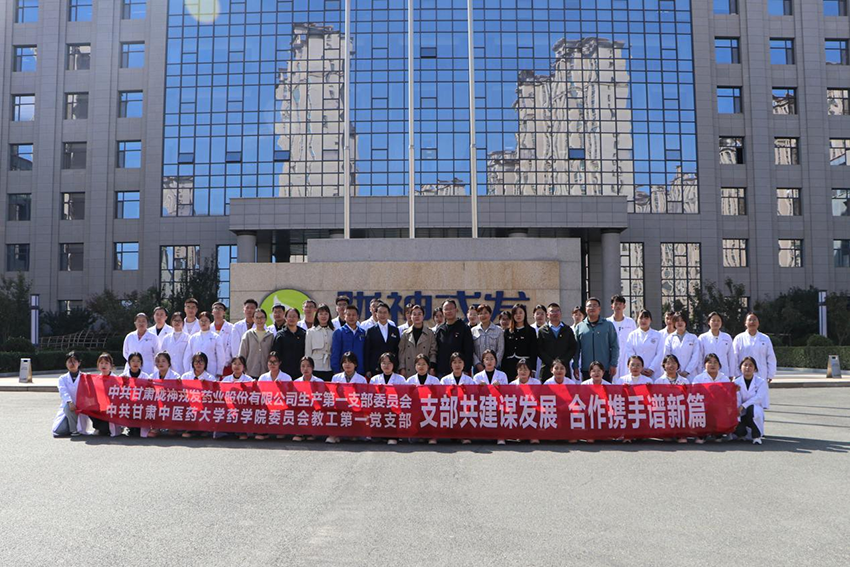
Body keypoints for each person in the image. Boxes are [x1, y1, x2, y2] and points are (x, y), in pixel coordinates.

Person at [733, 312, 777, 408]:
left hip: (761, 374)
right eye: (750, 320)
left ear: (758, 323)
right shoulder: (739, 338)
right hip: (743, 374)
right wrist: (736, 374)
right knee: (743, 402)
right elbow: (734, 358)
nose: (752, 322)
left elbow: (770, 357)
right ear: (745, 323)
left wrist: (771, 374)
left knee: (759, 403)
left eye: (754, 320)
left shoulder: (765, 338)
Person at [573, 297, 619, 382]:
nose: (592, 308)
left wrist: (613, 364)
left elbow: (614, 346)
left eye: (595, 305)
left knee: (605, 390)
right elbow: (576, 349)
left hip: (604, 368)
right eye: (589, 306)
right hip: (587, 369)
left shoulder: (608, 325)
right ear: (586, 309)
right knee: (587, 390)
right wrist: (575, 366)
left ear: (599, 309)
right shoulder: (580, 327)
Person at [52, 352, 91, 438]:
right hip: (69, 408)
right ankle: (73, 428)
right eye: (69, 361)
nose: (72, 364)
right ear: (66, 363)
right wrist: (70, 402)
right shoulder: (62, 378)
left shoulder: (86, 377)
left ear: (79, 363)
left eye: (74, 361)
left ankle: (74, 430)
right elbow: (63, 392)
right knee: (59, 430)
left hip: (82, 408)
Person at [537, 303, 578, 381]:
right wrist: (552, 363)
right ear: (547, 315)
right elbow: (539, 350)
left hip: (564, 368)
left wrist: (562, 362)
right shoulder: (542, 331)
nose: (555, 313)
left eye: (557, 311)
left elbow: (572, 348)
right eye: (552, 311)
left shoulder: (567, 330)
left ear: (561, 314)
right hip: (547, 369)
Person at [143, 352, 181, 438]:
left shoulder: (175, 376)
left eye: (163, 361)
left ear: (169, 363)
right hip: (157, 401)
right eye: (158, 361)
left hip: (171, 401)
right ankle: (156, 427)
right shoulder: (152, 376)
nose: (160, 363)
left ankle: (172, 426)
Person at [434, 299, 474, 376]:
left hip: (460, 372)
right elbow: (436, 351)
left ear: (456, 310)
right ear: (443, 312)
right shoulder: (440, 330)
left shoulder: (464, 328)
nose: (449, 311)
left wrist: (466, 369)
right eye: (446, 309)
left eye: (451, 308)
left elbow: (469, 351)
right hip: (442, 371)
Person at [622, 310, 665, 379]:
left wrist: (652, 368)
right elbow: (629, 352)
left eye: (646, 318)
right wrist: (640, 369)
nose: (643, 320)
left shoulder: (658, 335)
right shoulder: (632, 335)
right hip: (636, 371)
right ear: (637, 320)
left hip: (654, 373)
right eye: (641, 318)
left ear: (651, 320)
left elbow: (660, 353)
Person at [734, 356, 767, 444]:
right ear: (741, 368)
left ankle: (756, 436)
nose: (747, 367)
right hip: (740, 412)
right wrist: (738, 409)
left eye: (751, 365)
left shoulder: (761, 382)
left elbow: (759, 398)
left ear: (755, 369)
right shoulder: (736, 382)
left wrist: (743, 406)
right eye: (745, 365)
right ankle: (742, 434)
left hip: (754, 411)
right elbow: (736, 399)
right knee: (739, 430)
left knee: (752, 409)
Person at [363, 302, 401, 378]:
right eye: (380, 312)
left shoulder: (395, 330)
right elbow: (367, 351)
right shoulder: (370, 331)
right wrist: (367, 369)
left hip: (391, 367)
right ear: (376, 314)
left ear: (388, 314)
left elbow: (397, 349)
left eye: (385, 312)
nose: (382, 315)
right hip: (375, 368)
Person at [184, 311, 226, 378]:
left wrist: (219, 371)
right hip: (195, 371)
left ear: (210, 322)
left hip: (211, 370)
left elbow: (221, 356)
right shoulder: (193, 337)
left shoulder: (216, 337)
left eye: (206, 320)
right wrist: (187, 370)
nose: (203, 323)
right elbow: (187, 356)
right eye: (201, 320)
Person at [398, 305, 437, 376]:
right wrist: (402, 367)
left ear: (423, 316)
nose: (417, 316)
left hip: (425, 369)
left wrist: (432, 367)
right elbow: (401, 352)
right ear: (411, 316)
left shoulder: (430, 333)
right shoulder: (405, 334)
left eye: (419, 314)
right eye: (414, 314)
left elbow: (433, 351)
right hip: (409, 369)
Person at [502, 304, 538, 381]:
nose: (518, 315)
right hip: (509, 365)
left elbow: (534, 351)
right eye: (515, 313)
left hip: (525, 365)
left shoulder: (531, 331)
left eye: (520, 312)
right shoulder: (507, 331)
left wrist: (532, 368)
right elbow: (504, 350)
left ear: (525, 314)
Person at [663, 312, 701, 379]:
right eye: (677, 320)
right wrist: (675, 371)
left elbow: (696, 356)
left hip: (691, 374)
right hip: (674, 374)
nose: (680, 323)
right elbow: (667, 356)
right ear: (674, 323)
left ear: (685, 322)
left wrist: (687, 371)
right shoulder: (669, 338)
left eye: (682, 320)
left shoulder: (693, 338)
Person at [272, 307, 308, 380]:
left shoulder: (303, 334)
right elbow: (276, 354)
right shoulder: (280, 335)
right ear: (285, 318)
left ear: (298, 318)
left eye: (294, 316)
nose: (292, 318)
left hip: (300, 372)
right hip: (284, 372)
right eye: (289, 316)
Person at [607, 295, 637, 379]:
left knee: (626, 380)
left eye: (620, 304)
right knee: (613, 381)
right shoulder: (607, 322)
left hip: (627, 356)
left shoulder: (630, 322)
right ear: (612, 306)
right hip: (612, 357)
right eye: (616, 304)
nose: (618, 306)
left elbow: (634, 340)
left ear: (624, 306)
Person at [331, 305, 367, 375]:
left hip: (360, 371)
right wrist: (336, 370)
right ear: (344, 316)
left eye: (353, 315)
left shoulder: (363, 333)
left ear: (358, 317)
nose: (351, 317)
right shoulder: (339, 333)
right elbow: (335, 353)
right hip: (343, 371)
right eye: (348, 315)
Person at [240, 308, 274, 380]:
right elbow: (242, 354)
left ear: (265, 319)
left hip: (266, 373)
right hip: (250, 372)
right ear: (253, 319)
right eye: (257, 318)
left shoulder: (270, 335)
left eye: (262, 317)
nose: (259, 320)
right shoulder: (248, 334)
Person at [89, 353, 119, 437]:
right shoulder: (95, 379)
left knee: (105, 429)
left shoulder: (116, 379)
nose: (103, 365)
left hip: (111, 409)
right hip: (100, 409)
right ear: (98, 365)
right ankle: (97, 427)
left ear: (111, 366)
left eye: (106, 363)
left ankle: (104, 428)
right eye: (101, 363)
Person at [472, 304, 505, 373]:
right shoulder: (473, 331)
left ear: (490, 314)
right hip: (478, 368)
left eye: (485, 313)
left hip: (495, 368)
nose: (483, 315)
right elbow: (471, 351)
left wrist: (493, 364)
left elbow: (500, 349)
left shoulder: (498, 330)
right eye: (480, 313)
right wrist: (478, 364)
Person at [305, 303, 335, 380]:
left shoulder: (333, 332)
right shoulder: (310, 332)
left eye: (326, 314)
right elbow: (308, 352)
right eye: (321, 314)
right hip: (316, 366)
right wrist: (308, 367)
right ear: (317, 316)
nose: (323, 316)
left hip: (329, 366)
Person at [210, 302, 235, 372]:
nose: (218, 310)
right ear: (212, 312)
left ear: (224, 312)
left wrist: (224, 361)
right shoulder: (208, 328)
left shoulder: (231, 327)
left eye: (220, 308)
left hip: (227, 366)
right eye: (215, 308)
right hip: (211, 365)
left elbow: (231, 346)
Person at [530, 304, 547, 377]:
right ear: (533, 315)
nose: (540, 316)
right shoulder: (530, 329)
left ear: (546, 315)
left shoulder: (549, 329)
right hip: (533, 360)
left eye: (542, 314)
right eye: (537, 314)